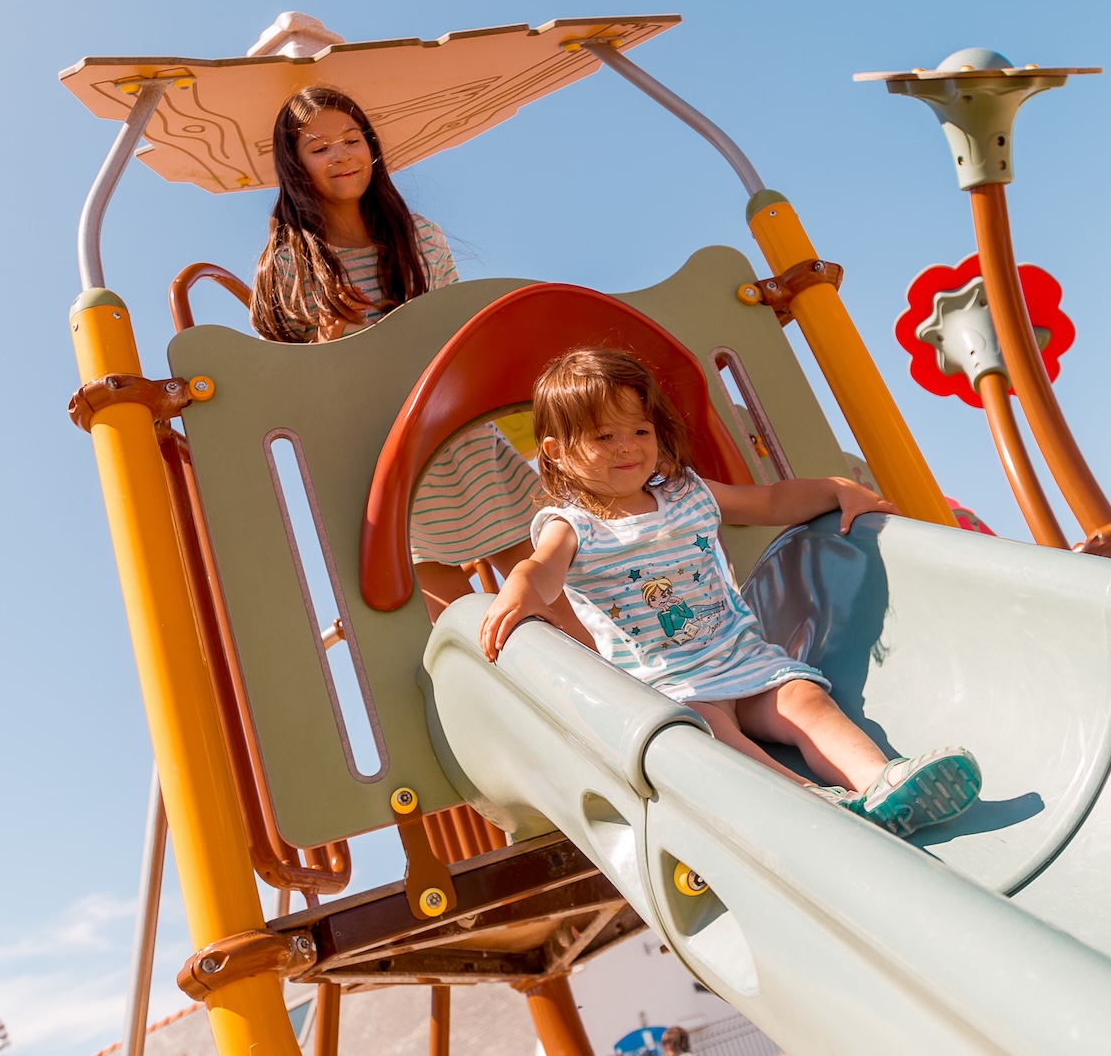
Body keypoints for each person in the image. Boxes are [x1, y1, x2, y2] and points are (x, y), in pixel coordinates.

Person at [479, 347, 982, 838]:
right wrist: (519, 592)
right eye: (604, 435)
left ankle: (881, 782)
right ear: (557, 452)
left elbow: (768, 501)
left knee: (805, 699)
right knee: (710, 738)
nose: (628, 446)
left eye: (639, 430)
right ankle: (811, 804)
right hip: (670, 688)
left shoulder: (687, 493)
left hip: (746, 662)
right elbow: (540, 568)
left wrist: (833, 489)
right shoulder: (574, 525)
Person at [250, 85, 539, 616]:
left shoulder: (419, 238)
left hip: (459, 434)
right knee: (459, 624)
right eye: (319, 148)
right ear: (295, 166)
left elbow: (458, 329)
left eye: (351, 140)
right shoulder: (292, 263)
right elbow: (286, 376)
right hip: (383, 451)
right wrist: (323, 347)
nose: (341, 156)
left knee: (551, 588)